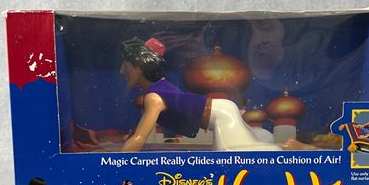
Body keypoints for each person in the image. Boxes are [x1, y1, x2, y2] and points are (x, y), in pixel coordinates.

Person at [119, 37, 281, 152]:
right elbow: (137, 133)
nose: (121, 71)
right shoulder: (160, 88)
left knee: (233, 152)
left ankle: (287, 148)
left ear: (139, 68)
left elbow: (140, 137)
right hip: (224, 110)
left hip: (222, 114)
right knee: (254, 141)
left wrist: (116, 162)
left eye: (126, 66)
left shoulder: (154, 98)